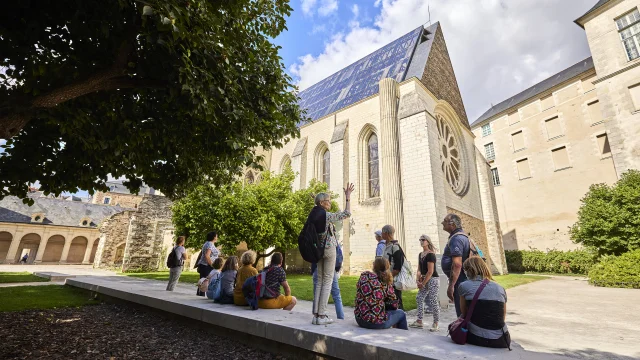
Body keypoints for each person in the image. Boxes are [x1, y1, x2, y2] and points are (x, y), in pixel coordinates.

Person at [308, 184, 354, 326]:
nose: (330, 202)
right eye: (328, 200)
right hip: (329, 249)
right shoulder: (326, 216)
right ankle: (322, 315)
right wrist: (347, 198)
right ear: (322, 203)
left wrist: (315, 199)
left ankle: (316, 314)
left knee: (320, 280)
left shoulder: (313, 213)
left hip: (318, 250)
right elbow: (346, 213)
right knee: (327, 280)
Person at [458, 256, 511, 349]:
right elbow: (502, 316)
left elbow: (464, 313)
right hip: (501, 339)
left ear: (469, 270)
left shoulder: (464, 286)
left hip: (476, 336)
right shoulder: (500, 288)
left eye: (464, 269)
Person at [354, 257, 408, 330]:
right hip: (375, 323)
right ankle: (402, 338)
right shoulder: (384, 283)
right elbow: (394, 305)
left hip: (360, 319)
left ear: (374, 266)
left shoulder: (364, 276)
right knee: (401, 313)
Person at [441, 213, 471, 316]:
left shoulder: (456, 239)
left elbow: (457, 264)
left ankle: (463, 330)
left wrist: (451, 285)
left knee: (462, 312)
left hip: (460, 280)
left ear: (452, 224)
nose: (442, 223)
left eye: (444, 221)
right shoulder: (459, 236)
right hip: (461, 278)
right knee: (463, 310)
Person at [409, 235, 440, 331]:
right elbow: (419, 269)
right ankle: (419, 321)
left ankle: (436, 323)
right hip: (423, 279)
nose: (421, 241)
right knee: (419, 297)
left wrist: (422, 283)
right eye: (420, 240)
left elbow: (430, 271)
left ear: (428, 241)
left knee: (433, 300)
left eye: (423, 240)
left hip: (432, 279)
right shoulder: (420, 254)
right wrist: (418, 279)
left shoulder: (431, 255)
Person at [311, 245, 344, 320]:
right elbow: (338, 255)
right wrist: (337, 268)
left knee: (317, 291)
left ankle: (316, 315)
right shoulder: (331, 238)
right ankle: (324, 315)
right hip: (330, 265)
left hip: (317, 265)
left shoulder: (317, 239)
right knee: (335, 293)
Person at [382, 224, 405, 310]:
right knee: (388, 302)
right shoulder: (387, 246)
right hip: (387, 279)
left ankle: (400, 322)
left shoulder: (395, 247)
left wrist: (389, 277)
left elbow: (398, 266)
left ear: (386, 233)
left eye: (382, 232)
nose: (381, 234)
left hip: (393, 280)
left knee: (396, 302)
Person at [197, 231, 220, 296]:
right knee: (205, 281)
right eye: (216, 236)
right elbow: (207, 255)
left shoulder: (208, 243)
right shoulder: (210, 244)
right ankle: (201, 294)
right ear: (214, 237)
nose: (217, 237)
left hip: (204, 265)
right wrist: (212, 264)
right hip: (206, 265)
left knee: (203, 280)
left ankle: (200, 294)